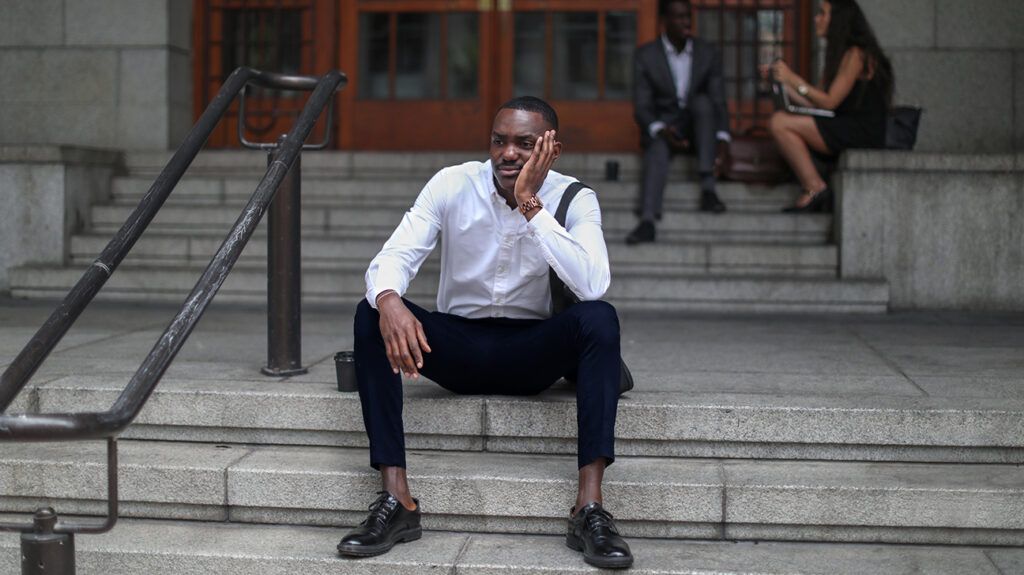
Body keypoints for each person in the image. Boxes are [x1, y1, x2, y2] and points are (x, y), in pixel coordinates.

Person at [337, 96, 633, 570]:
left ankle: (589, 508)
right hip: (456, 346)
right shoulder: (452, 184)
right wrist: (390, 299)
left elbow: (593, 283)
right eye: (500, 141)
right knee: (372, 310)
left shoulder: (575, 197)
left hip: (530, 351)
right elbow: (396, 254)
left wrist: (531, 205)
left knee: (599, 318)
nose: (508, 153)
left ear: (551, 148)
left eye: (525, 143)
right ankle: (397, 503)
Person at [768, 0, 893, 212]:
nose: (817, 19)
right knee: (780, 121)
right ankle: (814, 187)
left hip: (861, 130)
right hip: (842, 123)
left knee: (779, 123)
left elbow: (829, 101)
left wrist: (794, 79)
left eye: (822, 14)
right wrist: (784, 84)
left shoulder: (856, 54)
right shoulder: (839, 54)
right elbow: (816, 102)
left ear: (838, 20)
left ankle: (814, 187)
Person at [627, 0, 732, 245]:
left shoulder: (707, 53)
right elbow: (642, 107)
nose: (686, 22)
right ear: (665, 21)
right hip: (665, 126)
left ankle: (708, 189)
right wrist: (660, 129)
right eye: (679, 17)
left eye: (688, 16)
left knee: (704, 103)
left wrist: (723, 137)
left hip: (699, 129)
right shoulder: (646, 56)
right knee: (656, 150)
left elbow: (719, 100)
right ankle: (647, 220)